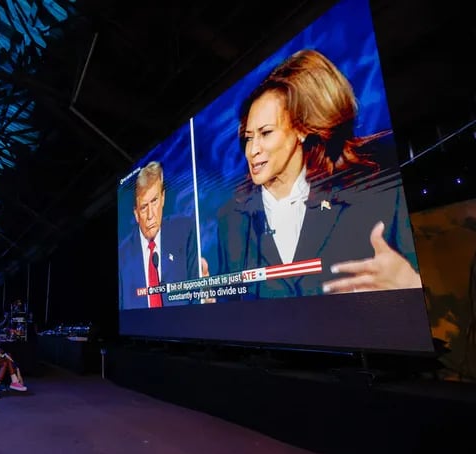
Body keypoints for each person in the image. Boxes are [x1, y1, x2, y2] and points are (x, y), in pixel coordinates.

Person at [215, 49, 421, 299]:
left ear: (302, 130)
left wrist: (411, 282)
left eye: (266, 133)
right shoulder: (232, 219)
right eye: (249, 138)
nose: (252, 150)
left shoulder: (379, 195)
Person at [119, 161, 200, 309]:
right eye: (144, 207)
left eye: (154, 201)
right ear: (136, 214)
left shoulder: (184, 231)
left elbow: (197, 294)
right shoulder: (123, 256)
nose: (151, 215)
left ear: (163, 198)